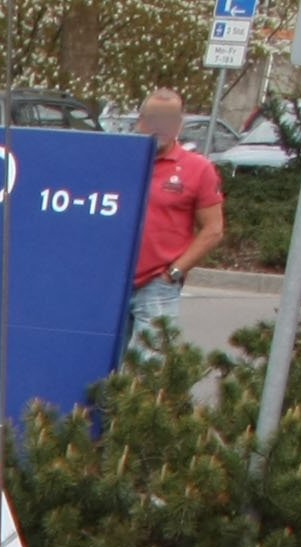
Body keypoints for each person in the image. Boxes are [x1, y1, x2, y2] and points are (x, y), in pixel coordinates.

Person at [125, 88, 226, 364]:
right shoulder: (119, 161)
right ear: (141, 120)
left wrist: (174, 272)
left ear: (179, 125)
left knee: (149, 369)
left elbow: (213, 229)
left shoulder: (198, 169)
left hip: (157, 284)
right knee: (100, 369)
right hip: (111, 284)